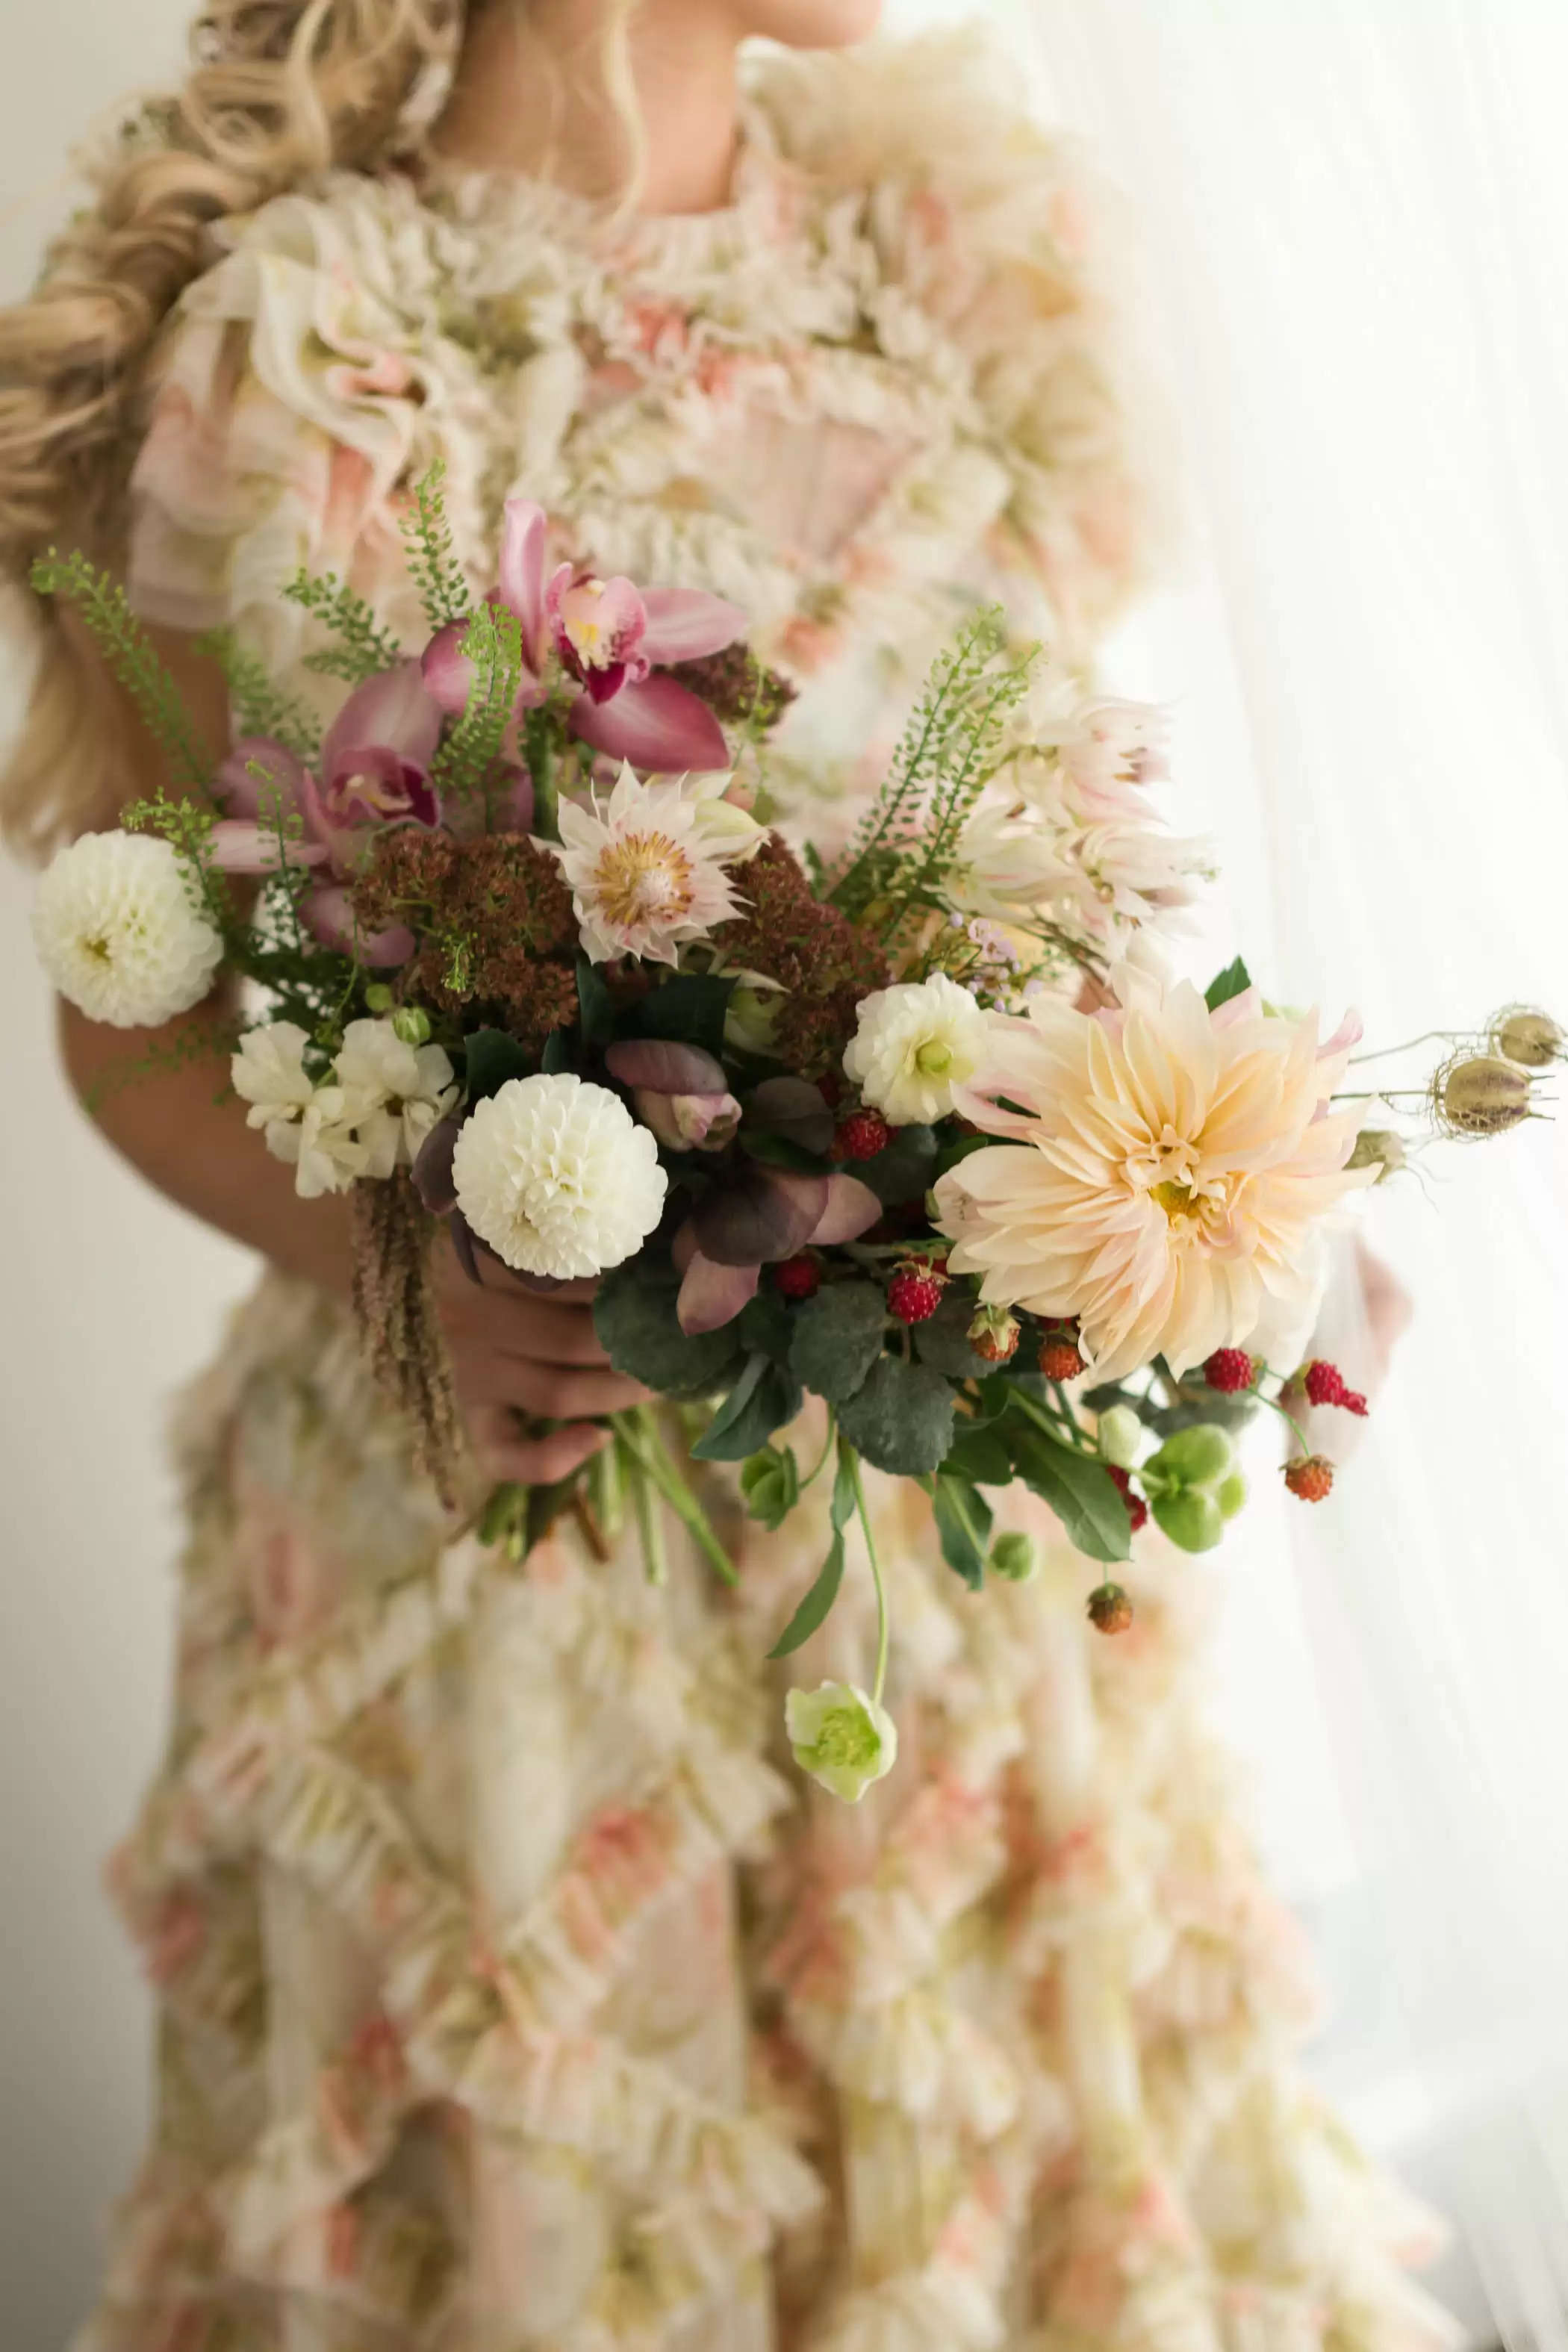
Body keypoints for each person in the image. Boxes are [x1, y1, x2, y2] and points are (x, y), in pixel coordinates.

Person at [1, 2, 1455, 2342]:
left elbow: (1058, 896)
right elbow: (127, 1001)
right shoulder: (307, 343)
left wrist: (1211, 1192)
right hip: (508, 1549)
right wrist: (402, 1264)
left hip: (949, 1557)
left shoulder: (976, 263)